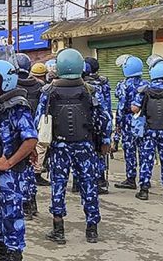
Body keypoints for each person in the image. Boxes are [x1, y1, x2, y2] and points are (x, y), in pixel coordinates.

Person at [37, 48, 110, 244]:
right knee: (89, 185)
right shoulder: (90, 90)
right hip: (85, 145)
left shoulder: (48, 91)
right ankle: (92, 230)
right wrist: (105, 141)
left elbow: (40, 120)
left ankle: (58, 229)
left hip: (59, 147)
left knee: (58, 186)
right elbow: (104, 119)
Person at [0, 60, 38, 261]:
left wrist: (9, 163)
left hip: (9, 173)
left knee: (11, 213)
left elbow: (30, 139)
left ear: (8, 81)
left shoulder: (17, 106)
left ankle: (14, 252)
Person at [132, 57, 163, 201]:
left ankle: (144, 190)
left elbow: (134, 108)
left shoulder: (143, 90)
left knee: (147, 160)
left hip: (149, 131)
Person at [14, 53, 44, 219]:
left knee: (18, 171)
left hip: (16, 134)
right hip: (35, 132)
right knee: (31, 167)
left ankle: (24, 206)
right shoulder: (40, 87)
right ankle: (31, 203)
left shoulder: (11, 87)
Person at [113, 56, 148, 190]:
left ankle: (131, 179)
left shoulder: (123, 85)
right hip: (143, 120)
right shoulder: (147, 84)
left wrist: (117, 128)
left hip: (128, 121)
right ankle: (145, 179)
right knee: (144, 151)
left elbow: (121, 107)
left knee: (130, 151)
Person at [82, 57, 112, 195]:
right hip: (100, 122)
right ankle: (100, 181)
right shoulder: (103, 83)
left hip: (83, 125)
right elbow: (107, 107)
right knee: (100, 153)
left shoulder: (80, 83)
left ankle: (79, 182)